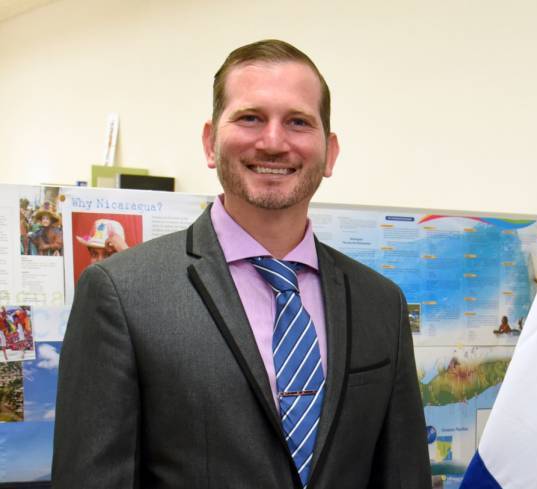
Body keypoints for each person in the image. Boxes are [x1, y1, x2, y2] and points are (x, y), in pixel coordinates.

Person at [53, 40, 430, 488]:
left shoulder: (380, 303)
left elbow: (403, 475)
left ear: (330, 152)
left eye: (298, 122)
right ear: (210, 143)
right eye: (250, 117)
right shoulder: (122, 293)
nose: (273, 142)